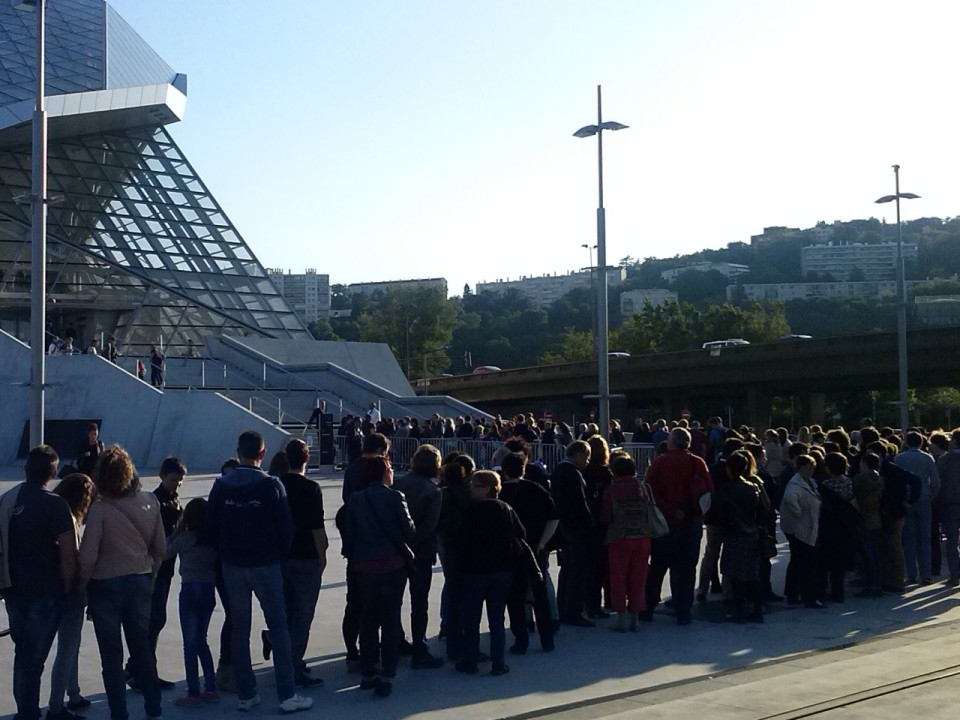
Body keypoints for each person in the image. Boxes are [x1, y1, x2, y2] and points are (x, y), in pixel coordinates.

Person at [205, 431, 311, 713]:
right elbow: (286, 528)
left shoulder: (221, 485)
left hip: (233, 564)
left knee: (240, 629)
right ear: (262, 455)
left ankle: (246, 693)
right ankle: (287, 694)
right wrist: (277, 554)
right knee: (279, 627)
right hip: (266, 563)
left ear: (238, 451)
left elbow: (210, 526)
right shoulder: (272, 485)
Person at [79, 446, 165, 720]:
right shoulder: (150, 501)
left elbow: (89, 556)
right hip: (139, 580)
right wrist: (150, 574)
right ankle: (154, 710)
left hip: (105, 586)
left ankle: (119, 714)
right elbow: (160, 547)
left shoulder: (100, 510)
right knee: (142, 650)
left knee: (111, 656)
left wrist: (80, 584)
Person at [1, 446, 78, 720]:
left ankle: (26, 712)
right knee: (32, 661)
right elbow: (69, 557)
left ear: (25, 470)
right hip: (45, 595)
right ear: (53, 472)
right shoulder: (56, 505)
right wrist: (70, 590)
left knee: (24, 657)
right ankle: (29, 714)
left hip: (13, 591)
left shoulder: (8, 500)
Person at [341, 456, 416, 698]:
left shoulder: (356, 499)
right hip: (392, 565)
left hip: (365, 566)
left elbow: (349, 534)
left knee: (368, 619)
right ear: (385, 472)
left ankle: (368, 671)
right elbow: (409, 530)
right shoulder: (395, 497)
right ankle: (388, 671)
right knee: (391, 617)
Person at [455, 470, 525, 676]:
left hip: (475, 571)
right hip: (501, 570)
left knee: (472, 619)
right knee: (496, 619)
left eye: (476, 486)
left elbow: (461, 542)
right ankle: (498, 662)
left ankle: (470, 659)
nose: (471, 489)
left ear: (488, 488)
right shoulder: (506, 509)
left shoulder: (472, 511)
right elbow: (521, 534)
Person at [642, 428, 713, 625]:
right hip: (692, 523)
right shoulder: (697, 462)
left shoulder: (659, 462)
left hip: (666, 523)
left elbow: (649, 491)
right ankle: (683, 611)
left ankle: (648, 607)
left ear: (671, 442)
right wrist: (695, 513)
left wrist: (670, 510)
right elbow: (708, 492)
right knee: (687, 568)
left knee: (658, 566)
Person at [127, 457, 185, 692]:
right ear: (162, 476)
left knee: (154, 621)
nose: (177, 485)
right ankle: (143, 670)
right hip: (155, 569)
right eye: (173, 480)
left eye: (180, 481)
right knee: (152, 621)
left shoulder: (172, 500)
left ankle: (138, 668)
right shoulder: (156, 501)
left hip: (165, 569)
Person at [278, 439, 328, 687]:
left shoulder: (276, 486)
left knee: (285, 615)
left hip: (281, 558)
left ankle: (284, 661)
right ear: (307, 458)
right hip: (306, 557)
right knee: (302, 617)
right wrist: (323, 554)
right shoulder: (312, 488)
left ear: (286, 458)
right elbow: (316, 527)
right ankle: (293, 666)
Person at [47, 473, 96, 720]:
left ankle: (73, 693)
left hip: (44, 590)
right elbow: (73, 558)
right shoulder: (69, 519)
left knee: (70, 647)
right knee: (67, 648)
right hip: (68, 591)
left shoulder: (52, 512)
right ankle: (57, 705)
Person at [340, 432, 390, 669]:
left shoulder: (351, 469)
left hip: (355, 545)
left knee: (354, 603)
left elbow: (345, 500)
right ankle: (376, 650)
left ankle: (352, 652)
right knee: (379, 604)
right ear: (381, 449)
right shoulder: (380, 470)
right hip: (379, 547)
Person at [499, 452, 557, 653]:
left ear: (504, 471)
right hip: (534, 548)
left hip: (509, 551)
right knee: (540, 597)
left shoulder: (500, 493)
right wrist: (542, 543)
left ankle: (521, 640)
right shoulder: (536, 489)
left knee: (514, 598)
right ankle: (547, 640)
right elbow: (554, 517)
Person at [393, 444, 444, 669]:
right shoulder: (433, 491)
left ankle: (396, 639)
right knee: (419, 602)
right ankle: (420, 647)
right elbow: (429, 526)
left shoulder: (398, 483)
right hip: (421, 552)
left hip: (395, 549)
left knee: (394, 600)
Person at [165, 498, 219, 708]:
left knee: (189, 642)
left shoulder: (185, 537)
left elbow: (165, 553)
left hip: (189, 588)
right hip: (208, 588)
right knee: (202, 640)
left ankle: (193, 691)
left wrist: (174, 532)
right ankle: (211, 686)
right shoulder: (212, 539)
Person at [600, 454, 653, 632]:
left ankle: (621, 618)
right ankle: (635, 618)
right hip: (642, 536)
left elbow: (605, 516)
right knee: (638, 578)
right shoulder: (643, 488)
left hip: (619, 538)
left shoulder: (612, 490)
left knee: (618, 578)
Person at [713, 451, 768, 623]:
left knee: (735, 575)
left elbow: (720, 512)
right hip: (751, 533)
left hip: (734, 534)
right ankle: (757, 609)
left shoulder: (727, 489)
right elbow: (761, 511)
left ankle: (740, 610)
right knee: (752, 574)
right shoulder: (753, 488)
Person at [551, 440, 597, 627]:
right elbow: (580, 502)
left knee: (567, 570)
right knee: (578, 571)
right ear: (578, 455)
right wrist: (590, 523)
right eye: (586, 457)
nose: (587, 462)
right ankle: (573, 610)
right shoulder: (572, 473)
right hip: (577, 528)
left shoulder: (558, 471)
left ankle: (562, 607)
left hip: (565, 527)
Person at [895, 431, 940, 585]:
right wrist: (931, 496)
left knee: (908, 539)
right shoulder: (927, 458)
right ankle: (926, 574)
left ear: (906, 442)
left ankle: (911, 574)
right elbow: (935, 481)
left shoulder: (899, 458)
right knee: (925, 539)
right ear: (921, 443)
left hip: (906, 501)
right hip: (924, 499)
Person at [780, 455, 824, 608]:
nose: (809, 470)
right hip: (800, 529)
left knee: (798, 562)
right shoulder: (795, 484)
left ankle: (793, 593)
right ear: (799, 468)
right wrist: (798, 512)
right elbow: (789, 499)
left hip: (808, 528)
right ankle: (807, 596)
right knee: (805, 563)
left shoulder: (811, 483)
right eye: (806, 467)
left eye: (811, 467)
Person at [852, 452, 884, 596]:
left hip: (863, 518)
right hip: (876, 518)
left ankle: (870, 584)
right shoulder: (879, 479)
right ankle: (877, 583)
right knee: (876, 554)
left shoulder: (859, 479)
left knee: (867, 554)